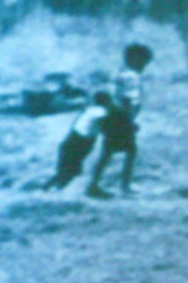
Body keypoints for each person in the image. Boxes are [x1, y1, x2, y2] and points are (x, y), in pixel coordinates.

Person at [86, 42, 154, 198]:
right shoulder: (132, 77)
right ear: (135, 59)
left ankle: (97, 184)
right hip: (120, 118)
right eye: (144, 61)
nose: (145, 65)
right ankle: (122, 186)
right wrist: (129, 120)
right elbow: (128, 100)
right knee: (125, 151)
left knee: (112, 151)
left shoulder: (120, 73)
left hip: (113, 116)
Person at [43, 91, 112, 190]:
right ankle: (49, 189)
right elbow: (104, 124)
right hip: (79, 143)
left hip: (73, 141)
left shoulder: (90, 110)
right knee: (71, 172)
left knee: (67, 172)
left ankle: (49, 189)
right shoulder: (100, 112)